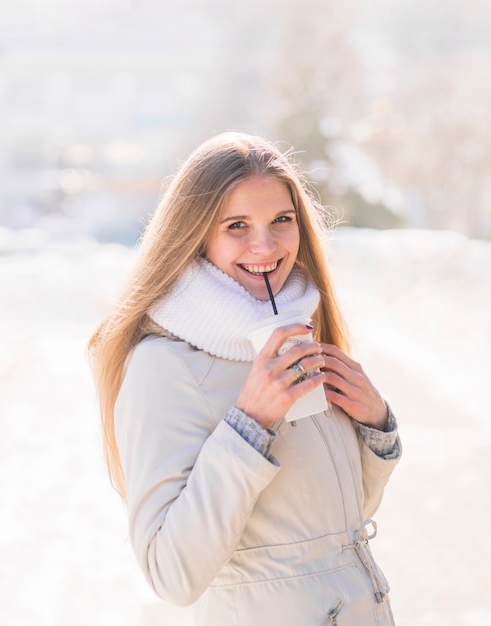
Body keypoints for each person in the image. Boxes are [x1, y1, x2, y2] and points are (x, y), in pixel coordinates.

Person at [88, 131, 401, 626]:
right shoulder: (163, 365)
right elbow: (171, 574)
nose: (265, 245)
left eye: (282, 220)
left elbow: (327, 525)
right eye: (236, 225)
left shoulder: (300, 327)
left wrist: (375, 428)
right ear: (195, 235)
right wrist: (248, 426)